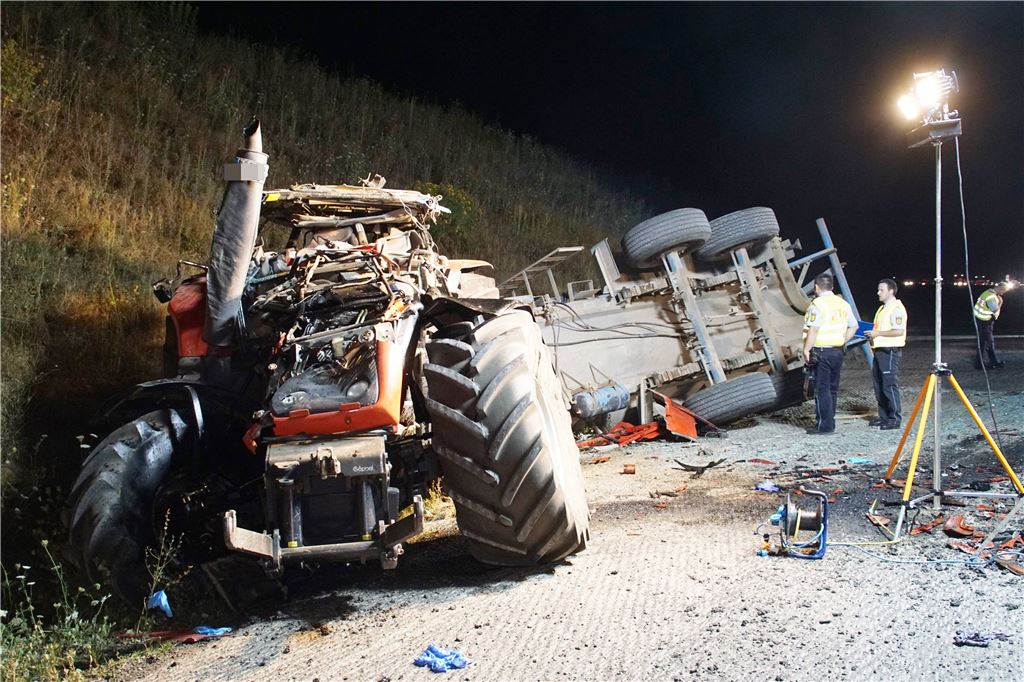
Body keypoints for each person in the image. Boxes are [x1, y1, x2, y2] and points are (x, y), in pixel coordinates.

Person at [802, 273, 858, 435]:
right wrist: (842, 340)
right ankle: (830, 423)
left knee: (822, 389)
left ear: (816, 287)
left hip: (822, 352)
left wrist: (806, 349)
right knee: (833, 389)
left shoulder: (817, 304)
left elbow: (813, 329)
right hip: (837, 351)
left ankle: (824, 426)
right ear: (832, 287)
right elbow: (853, 327)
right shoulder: (843, 304)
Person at [864, 278, 907, 430]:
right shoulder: (883, 308)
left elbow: (899, 330)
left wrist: (877, 333)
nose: (878, 293)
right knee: (879, 385)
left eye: (881, 290)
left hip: (889, 351)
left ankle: (894, 419)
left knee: (889, 385)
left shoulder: (896, 308)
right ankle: (884, 417)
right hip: (880, 350)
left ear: (891, 291)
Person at [973, 282, 1009, 369]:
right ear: (1000, 288)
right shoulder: (992, 297)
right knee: (987, 343)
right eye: (1003, 291)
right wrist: (1000, 302)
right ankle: (982, 364)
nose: (1003, 293)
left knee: (985, 342)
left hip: (980, 319)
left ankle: (991, 362)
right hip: (985, 322)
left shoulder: (987, 292)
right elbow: (995, 310)